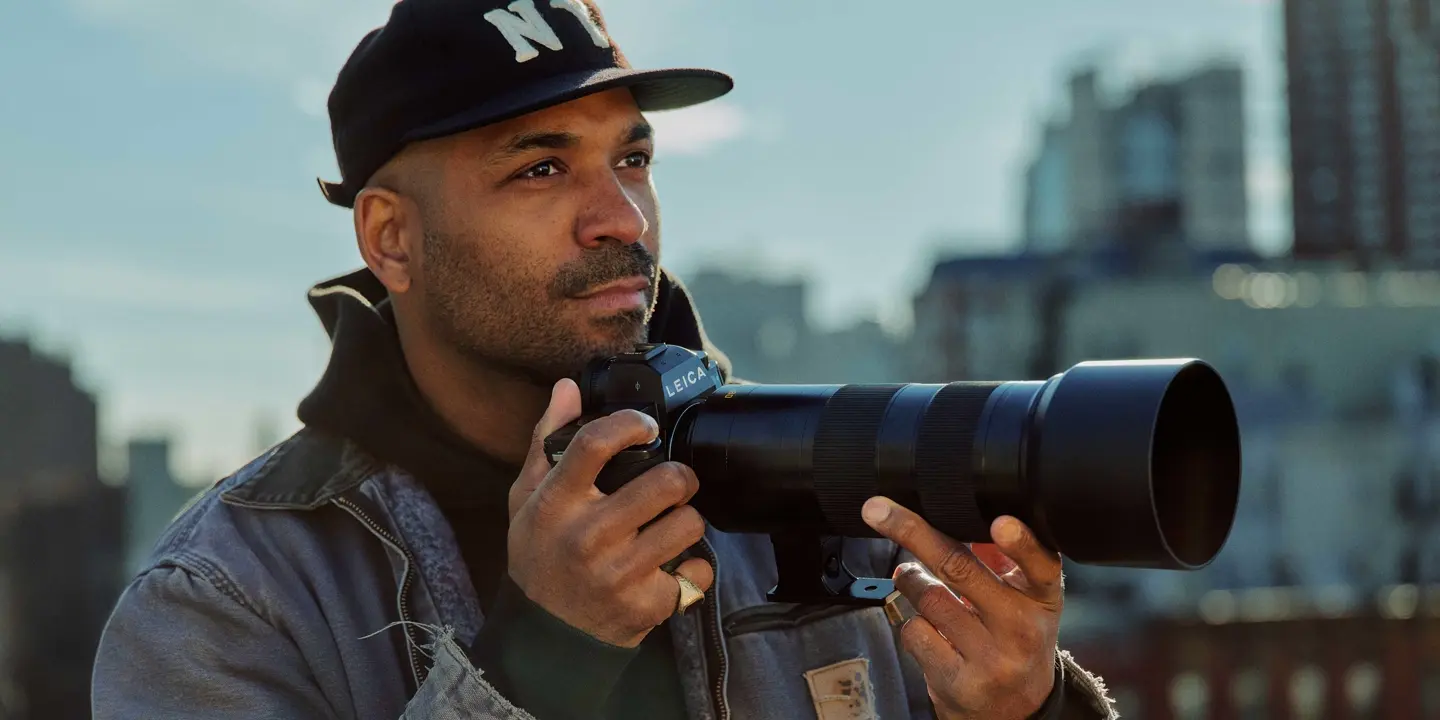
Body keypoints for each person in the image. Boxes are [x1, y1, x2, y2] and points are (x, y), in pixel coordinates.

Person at [91, 1, 1119, 718]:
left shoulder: (811, 489)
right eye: (542, 167)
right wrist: (544, 660)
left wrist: (1027, 711)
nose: (620, 218)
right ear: (391, 238)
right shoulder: (226, 598)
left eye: (632, 158)